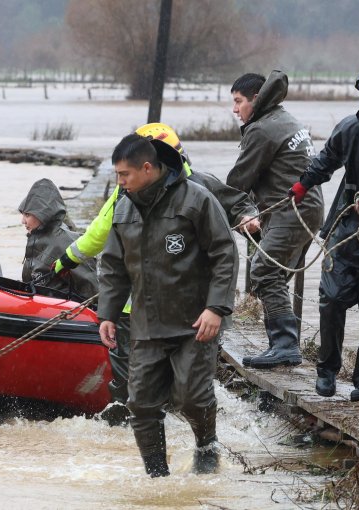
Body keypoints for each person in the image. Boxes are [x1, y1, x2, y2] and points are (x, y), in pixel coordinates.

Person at [52, 123, 258, 412]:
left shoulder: (197, 190)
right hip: (142, 308)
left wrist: (65, 262)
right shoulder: (130, 193)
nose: (123, 180)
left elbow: (228, 235)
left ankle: (173, 423)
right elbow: (110, 255)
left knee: (155, 383)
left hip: (184, 309)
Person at [98, 134, 237, 477]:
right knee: (141, 404)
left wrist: (216, 308)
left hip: (195, 321)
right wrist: (108, 314)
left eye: (124, 175)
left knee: (191, 396)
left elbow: (224, 253)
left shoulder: (196, 199)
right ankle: (157, 477)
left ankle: (206, 444)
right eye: (117, 175)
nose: (120, 182)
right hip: (147, 324)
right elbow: (113, 266)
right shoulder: (123, 207)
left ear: (147, 168)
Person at [289, 60, 359, 401]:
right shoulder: (349, 129)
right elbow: (326, 160)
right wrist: (302, 185)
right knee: (331, 302)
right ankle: (327, 371)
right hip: (344, 233)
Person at [227, 71, 325, 369]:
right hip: (309, 208)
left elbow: (237, 183)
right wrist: (251, 213)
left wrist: (229, 210)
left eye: (238, 101)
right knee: (273, 276)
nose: (234, 109)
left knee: (265, 270)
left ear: (256, 99)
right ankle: (279, 345)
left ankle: (285, 346)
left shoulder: (262, 130)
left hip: (291, 211)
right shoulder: (285, 118)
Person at [19, 178, 98, 299]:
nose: (23, 221)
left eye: (27, 215)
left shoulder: (64, 241)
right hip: (38, 303)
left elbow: (90, 286)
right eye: (23, 214)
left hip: (61, 311)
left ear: (42, 213)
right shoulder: (35, 238)